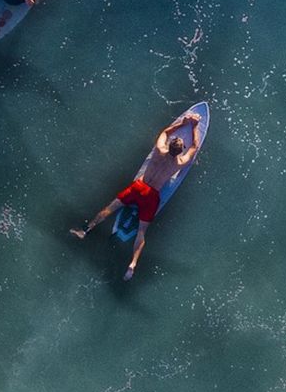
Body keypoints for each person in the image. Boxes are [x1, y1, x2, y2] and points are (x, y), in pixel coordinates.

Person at [70, 112, 202, 281]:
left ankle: (85, 231)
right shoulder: (179, 163)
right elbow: (195, 147)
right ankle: (132, 265)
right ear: (179, 151)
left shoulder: (159, 150)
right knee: (141, 231)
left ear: (169, 145)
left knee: (110, 208)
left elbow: (166, 132)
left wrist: (183, 123)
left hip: (138, 187)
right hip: (152, 195)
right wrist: (195, 126)